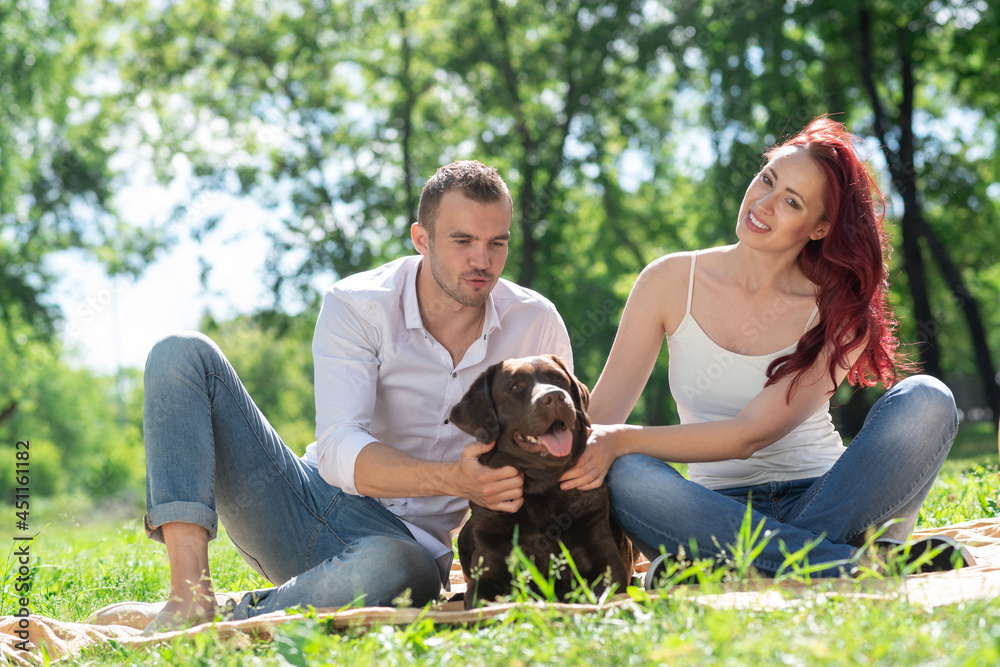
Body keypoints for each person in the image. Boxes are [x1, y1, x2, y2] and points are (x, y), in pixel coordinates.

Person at [139, 160, 572, 633]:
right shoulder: (357, 304)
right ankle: (188, 598)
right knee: (181, 352)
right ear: (421, 239)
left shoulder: (535, 322)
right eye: (463, 241)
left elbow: (564, 446)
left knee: (391, 566)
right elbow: (339, 448)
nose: (481, 261)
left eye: (497, 243)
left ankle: (241, 617)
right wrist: (455, 479)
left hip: (409, 549)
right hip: (300, 503)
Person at [560, 117, 974, 582]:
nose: (763, 203)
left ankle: (729, 569)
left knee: (928, 398)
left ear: (819, 228)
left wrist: (621, 439)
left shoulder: (839, 309)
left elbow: (749, 434)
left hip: (831, 498)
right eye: (767, 179)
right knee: (626, 472)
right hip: (708, 511)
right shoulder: (669, 281)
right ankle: (847, 563)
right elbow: (600, 422)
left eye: (791, 202)